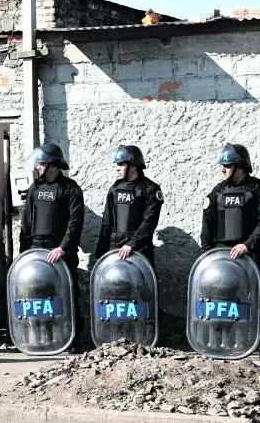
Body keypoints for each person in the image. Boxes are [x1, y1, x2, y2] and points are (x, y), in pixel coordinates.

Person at [200, 143, 260, 359]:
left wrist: (247, 244)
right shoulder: (218, 191)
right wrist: (208, 253)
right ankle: (223, 341)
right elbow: (207, 223)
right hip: (223, 254)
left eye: (226, 165)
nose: (222, 169)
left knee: (259, 296)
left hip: (251, 253)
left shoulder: (259, 189)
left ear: (240, 166)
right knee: (221, 299)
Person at [19, 142, 85, 353]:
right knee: (38, 296)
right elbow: (26, 222)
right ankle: (42, 338)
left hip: (60, 251)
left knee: (67, 294)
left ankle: (73, 340)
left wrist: (63, 247)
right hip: (37, 249)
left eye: (42, 163)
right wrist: (24, 253)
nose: (38, 167)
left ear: (53, 165)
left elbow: (75, 222)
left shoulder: (70, 188)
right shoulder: (35, 188)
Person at [95, 145, 164, 266]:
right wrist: (100, 253)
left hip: (139, 250)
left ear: (133, 165)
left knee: (143, 283)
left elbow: (150, 222)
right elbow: (107, 221)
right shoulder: (115, 189)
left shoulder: (150, 189)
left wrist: (132, 244)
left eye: (121, 164)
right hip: (115, 250)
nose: (117, 168)